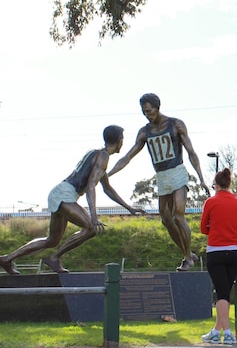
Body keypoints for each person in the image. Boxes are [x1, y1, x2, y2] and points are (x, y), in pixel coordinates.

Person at [0, 125, 145, 275]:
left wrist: (129, 208)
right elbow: (90, 186)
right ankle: (54, 257)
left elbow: (107, 188)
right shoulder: (103, 157)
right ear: (119, 141)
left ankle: (7, 259)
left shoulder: (97, 155)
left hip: (60, 193)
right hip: (64, 194)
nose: (123, 143)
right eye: (123, 140)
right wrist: (93, 216)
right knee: (90, 228)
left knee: (52, 240)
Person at [108, 93, 210, 272]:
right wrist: (108, 174)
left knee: (179, 215)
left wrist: (201, 178)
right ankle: (188, 252)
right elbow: (127, 156)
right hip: (162, 177)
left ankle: (187, 258)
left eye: (149, 111)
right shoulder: (144, 132)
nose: (147, 115)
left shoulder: (175, 124)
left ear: (158, 107)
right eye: (143, 112)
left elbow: (191, 152)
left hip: (177, 172)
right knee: (166, 220)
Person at [199, 168, 237, 345]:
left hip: (216, 251)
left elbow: (204, 228)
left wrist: (215, 229)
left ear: (216, 185)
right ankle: (215, 331)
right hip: (233, 251)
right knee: (225, 292)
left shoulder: (211, 202)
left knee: (221, 293)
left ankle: (227, 333)